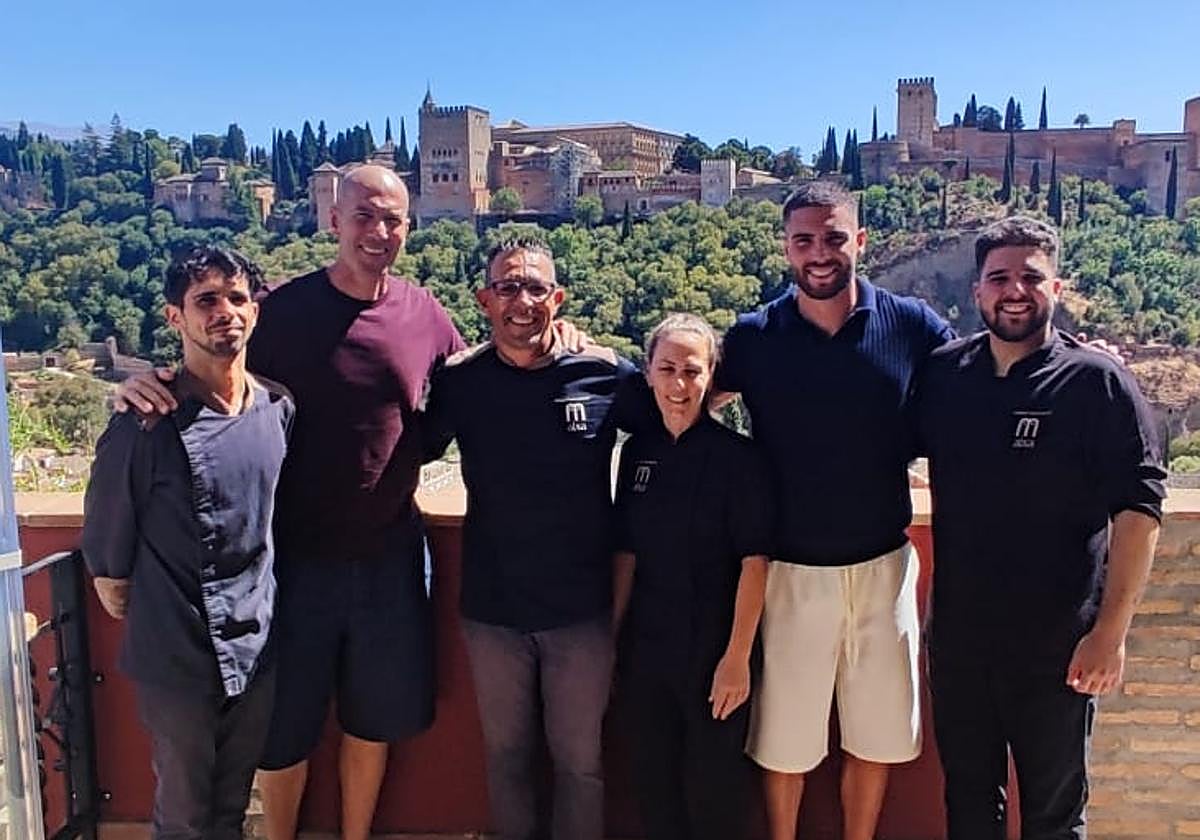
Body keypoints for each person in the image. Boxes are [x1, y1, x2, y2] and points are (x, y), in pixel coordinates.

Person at [113, 165, 465, 840]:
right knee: (284, 734)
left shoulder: (425, 314)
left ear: (409, 229)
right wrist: (143, 386)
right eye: (363, 216)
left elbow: (474, 380)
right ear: (332, 221)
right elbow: (209, 366)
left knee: (373, 721)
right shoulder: (281, 312)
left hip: (389, 556)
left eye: (392, 219)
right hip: (289, 564)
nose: (378, 231)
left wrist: (568, 344)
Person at [715, 180, 955, 840]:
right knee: (783, 744)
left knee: (875, 738)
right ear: (786, 249)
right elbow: (683, 399)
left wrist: (1077, 357)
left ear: (861, 241)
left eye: (833, 238)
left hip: (884, 566)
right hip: (789, 570)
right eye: (804, 241)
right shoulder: (756, 336)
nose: (819, 253)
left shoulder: (910, 325)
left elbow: (982, 375)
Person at [917, 216, 1165, 840]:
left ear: (1058, 287)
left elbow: (1139, 508)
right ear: (977, 291)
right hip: (961, 643)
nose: (1014, 290)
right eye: (999, 278)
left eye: (1031, 277)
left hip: (1059, 649)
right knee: (970, 806)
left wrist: (1109, 633)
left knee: (1055, 818)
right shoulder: (945, 375)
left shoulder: (1097, 381)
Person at [421, 238, 638, 840]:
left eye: (536, 287)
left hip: (583, 611)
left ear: (558, 298)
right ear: (485, 300)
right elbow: (401, 444)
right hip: (493, 611)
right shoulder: (461, 383)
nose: (522, 300)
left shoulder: (602, 372)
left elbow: (682, 410)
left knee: (580, 766)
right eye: (509, 287)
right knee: (507, 761)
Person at [82, 246, 293, 840]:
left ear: (254, 312)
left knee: (230, 808)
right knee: (185, 818)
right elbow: (109, 570)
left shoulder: (278, 409)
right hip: (177, 656)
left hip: (256, 646)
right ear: (175, 317)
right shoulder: (144, 423)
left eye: (236, 298)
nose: (224, 311)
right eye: (206, 300)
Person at [611, 313, 772, 840]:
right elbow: (627, 554)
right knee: (654, 788)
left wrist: (737, 659)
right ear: (649, 374)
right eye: (667, 369)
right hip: (647, 648)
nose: (679, 385)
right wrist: (611, 642)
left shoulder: (739, 459)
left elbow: (755, 562)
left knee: (715, 792)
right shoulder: (637, 453)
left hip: (714, 650)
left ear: (711, 377)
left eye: (692, 370)